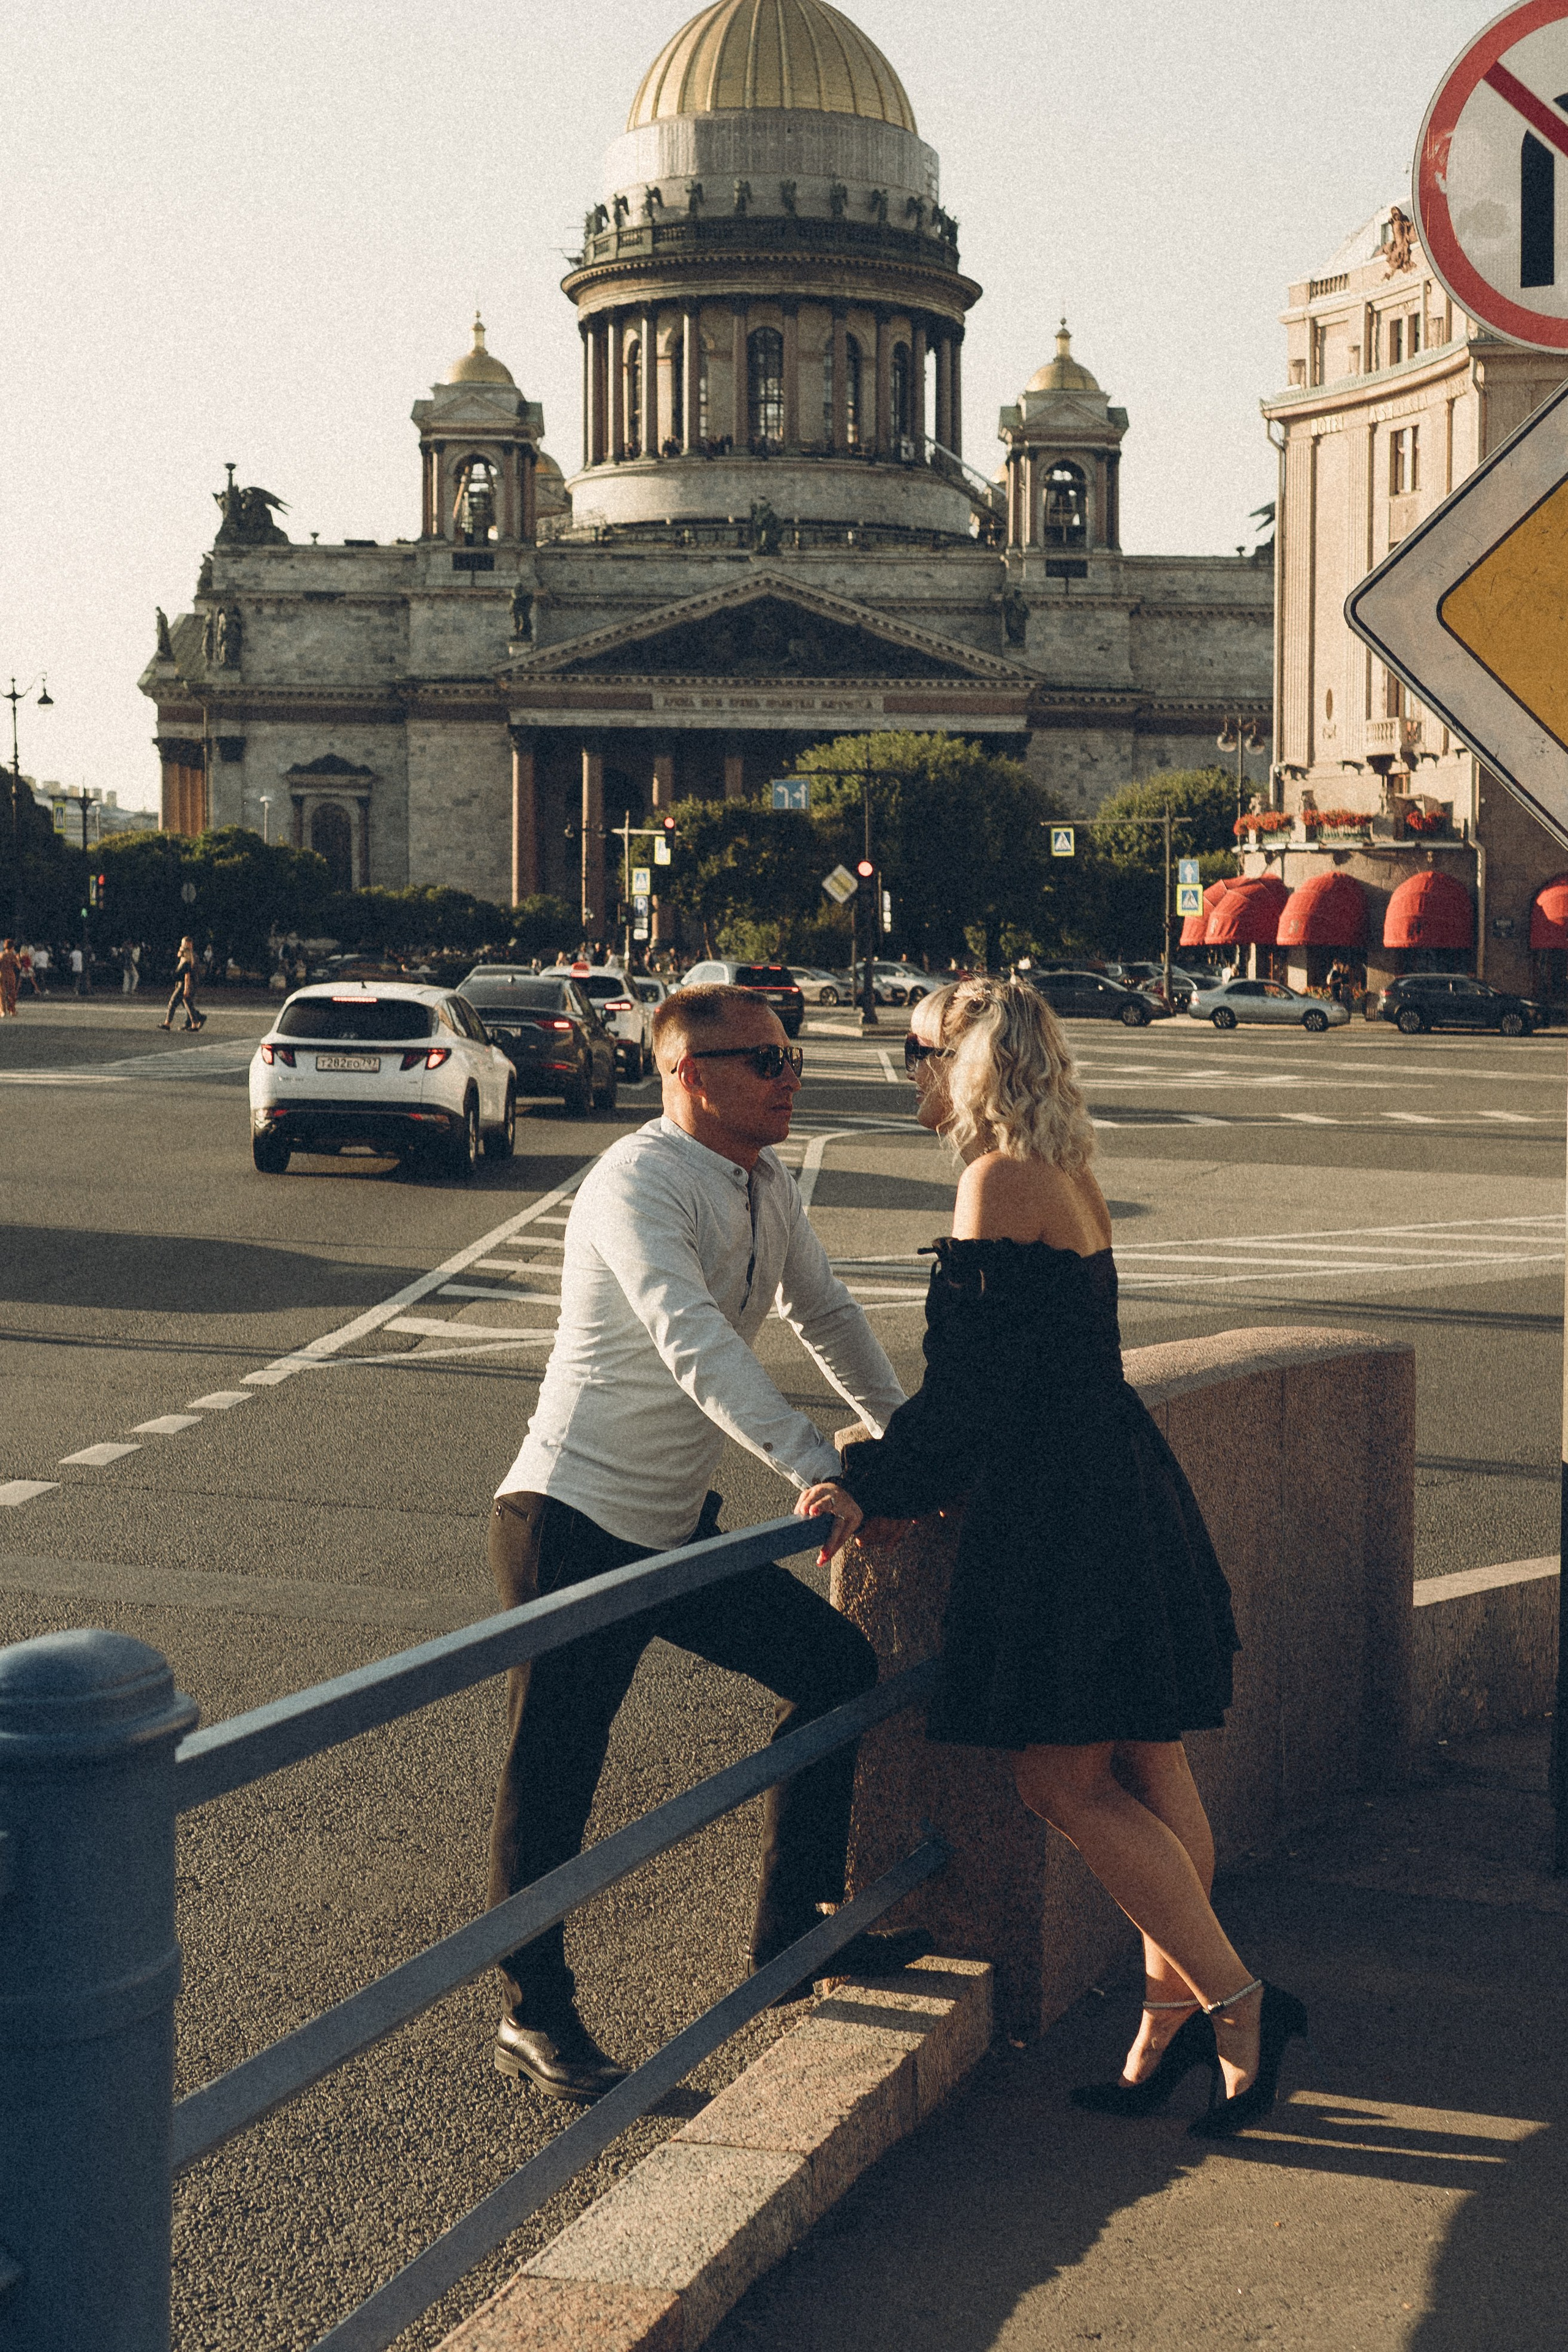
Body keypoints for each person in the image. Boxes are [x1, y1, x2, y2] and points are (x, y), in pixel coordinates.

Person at [797, 978, 1307, 2141]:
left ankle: (1240, 2006)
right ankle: (1162, 2028)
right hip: (1112, 1482)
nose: (910, 1077)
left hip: (1063, 1509)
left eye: (917, 1055)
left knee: (1059, 1783)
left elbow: (973, 1390)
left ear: (962, 1064)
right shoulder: (1064, 1173)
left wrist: (869, 1486)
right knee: (1151, 1768)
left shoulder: (997, 1182)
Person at [485, 982, 919, 2100]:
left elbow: (827, 1315)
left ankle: (788, 1939)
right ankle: (535, 2014)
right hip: (572, 1522)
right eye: (764, 1061)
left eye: (791, 1056)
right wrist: (814, 1466)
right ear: (687, 1073)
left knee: (836, 1668)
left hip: (676, 1527)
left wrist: (901, 1444)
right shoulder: (636, 1182)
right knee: (557, 1773)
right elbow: (693, 1345)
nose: (790, 1077)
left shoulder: (765, 1183)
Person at [160, 935, 204, 1031]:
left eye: (185, 944)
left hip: (186, 985)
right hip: (183, 984)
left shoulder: (190, 958)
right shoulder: (185, 957)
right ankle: (195, 1023)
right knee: (188, 1005)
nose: (182, 946)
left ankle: (168, 1023)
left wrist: (186, 988)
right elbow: (179, 957)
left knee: (173, 1003)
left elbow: (187, 975)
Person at [0, 940, 18, 1019]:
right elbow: (19, 966)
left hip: (2, 975)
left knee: (1, 993)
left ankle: (3, 1011)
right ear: (13, 947)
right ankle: (12, 1010)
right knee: (12, 993)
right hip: (11, 975)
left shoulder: (1, 955)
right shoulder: (13, 956)